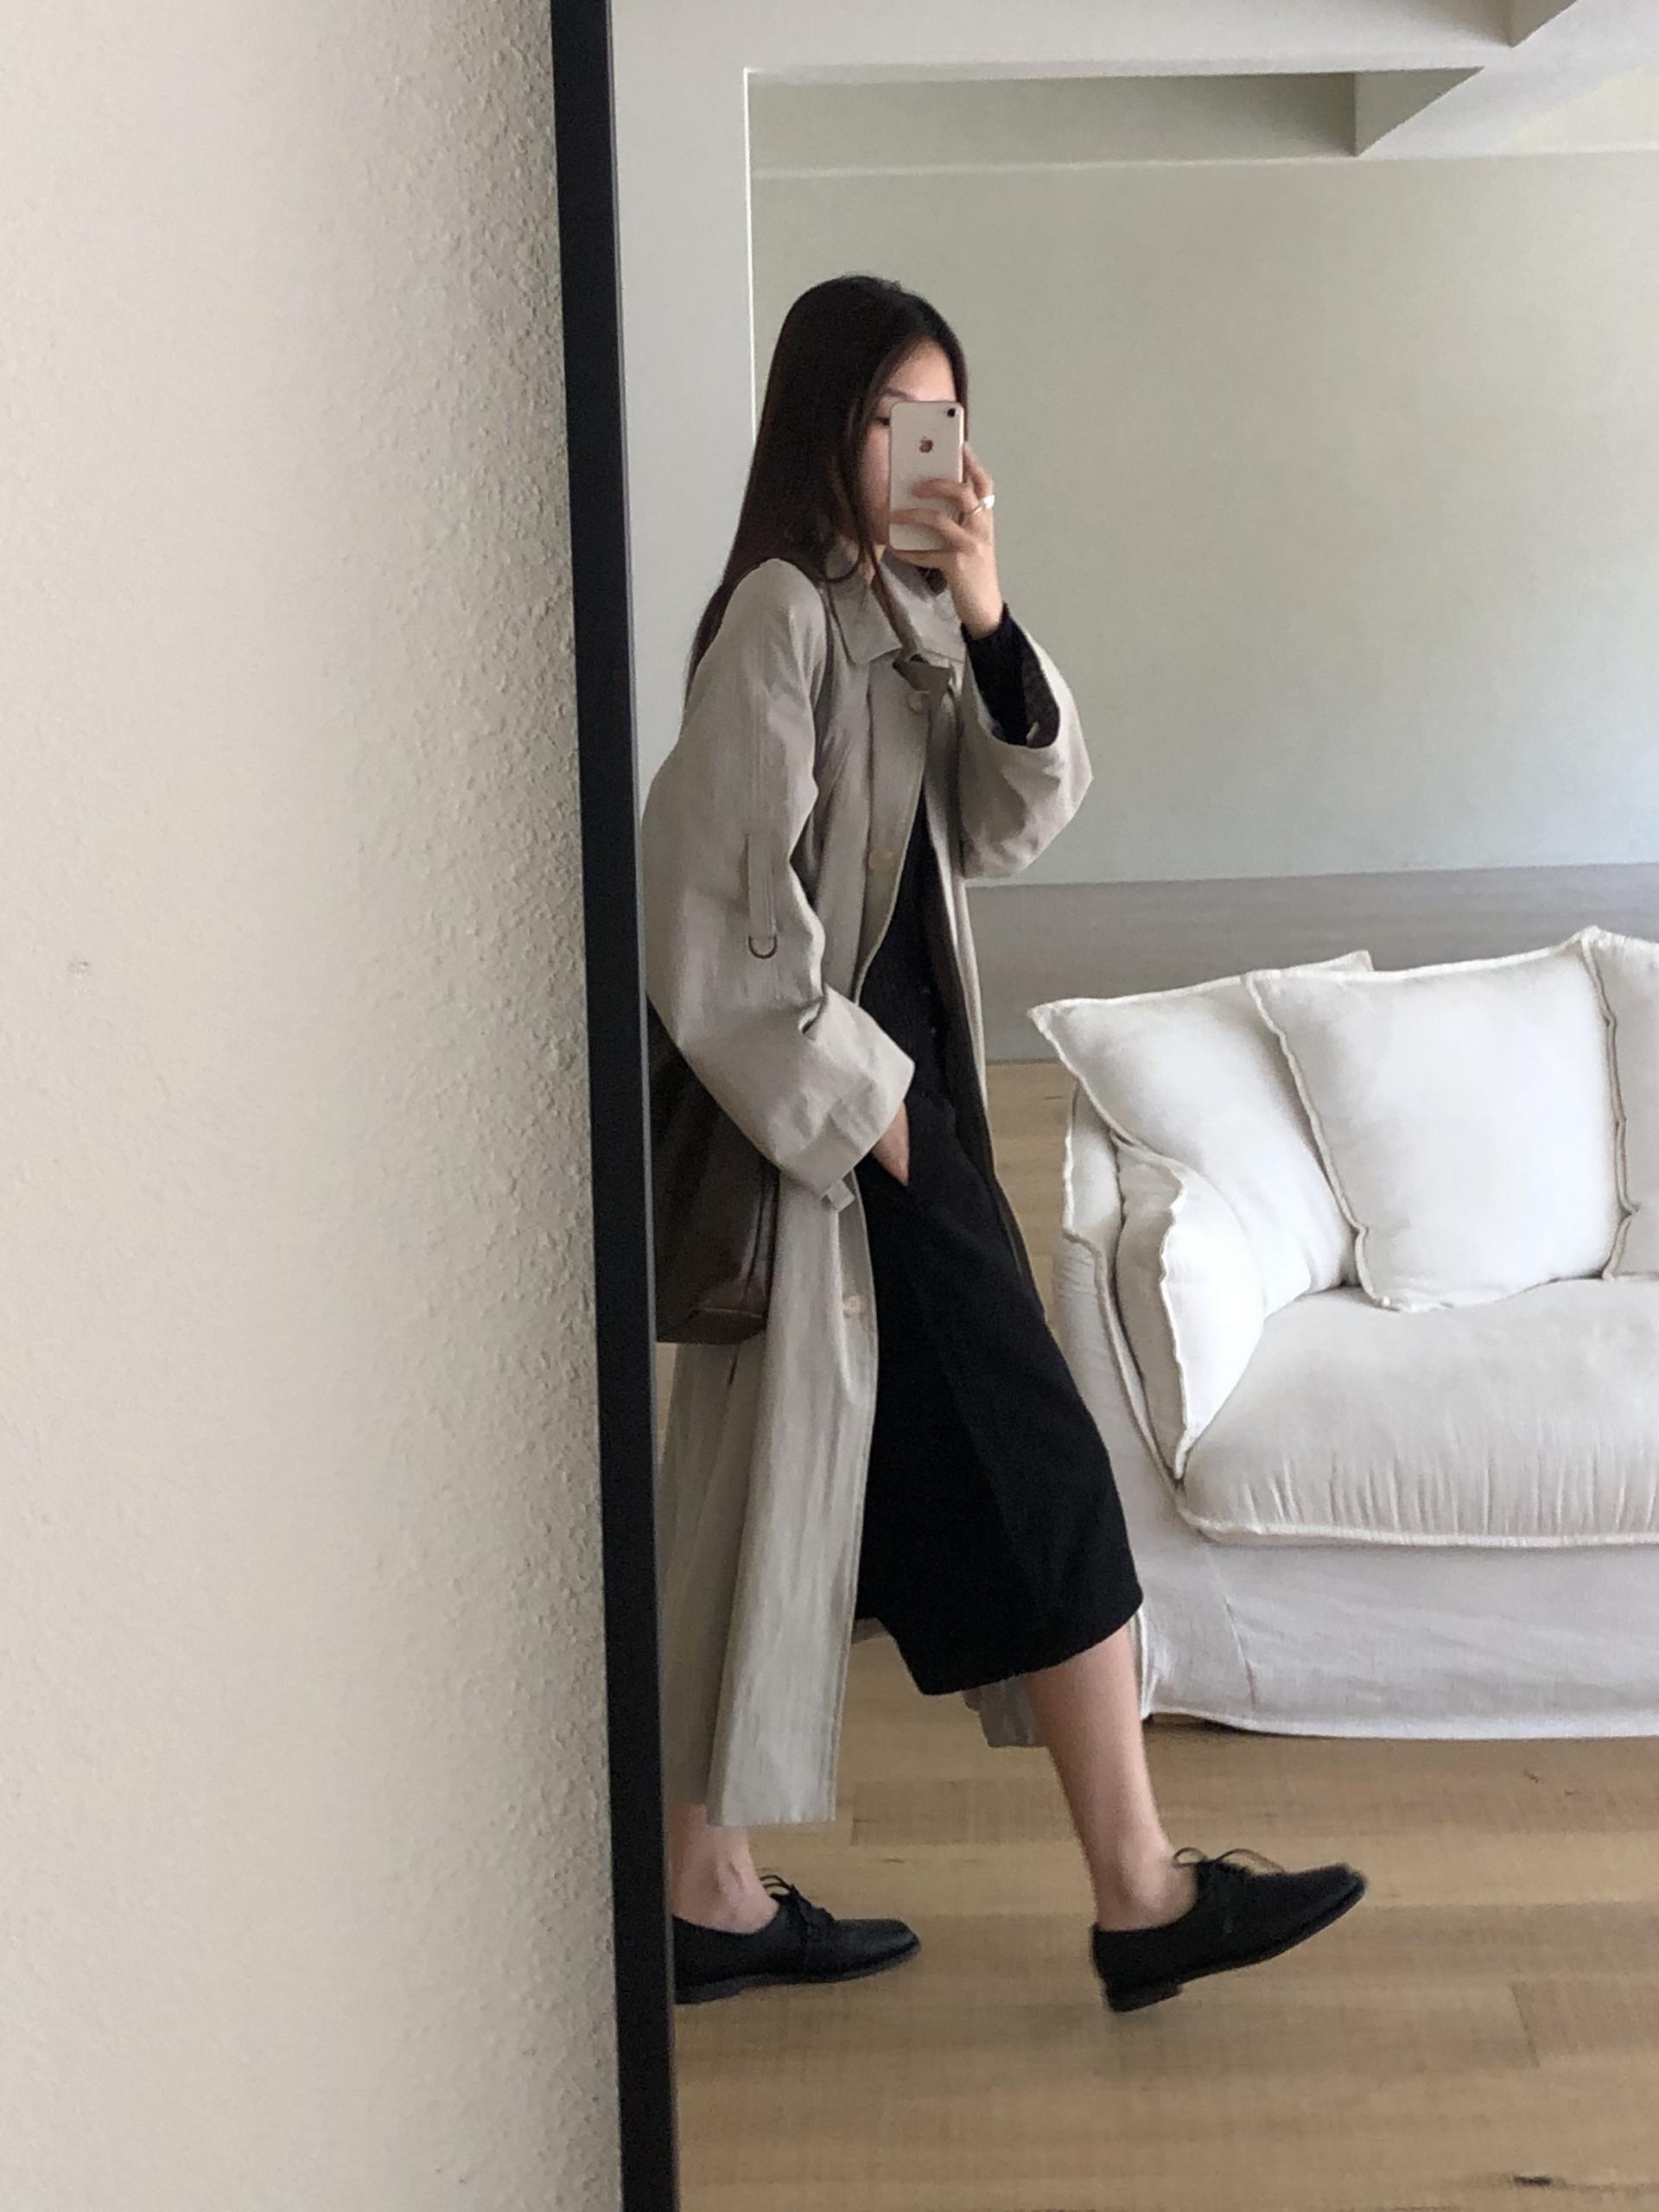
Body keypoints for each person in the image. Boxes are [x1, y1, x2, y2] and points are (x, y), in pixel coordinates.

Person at [641, 274, 1366, 2016]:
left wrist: (985, 612)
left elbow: (1009, 820)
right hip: (863, 1151)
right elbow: (710, 920)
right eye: (895, 417)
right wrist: (882, 1121)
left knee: (790, 1513)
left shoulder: (897, 616)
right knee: (1041, 1477)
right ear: (829, 425)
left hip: (907, 1134)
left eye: (945, 420)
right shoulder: (780, 619)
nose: (926, 449)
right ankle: (1140, 1893)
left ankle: (700, 1890)